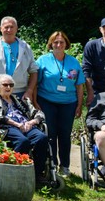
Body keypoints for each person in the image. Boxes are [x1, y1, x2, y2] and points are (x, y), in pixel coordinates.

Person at [35, 31, 85, 176]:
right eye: (55, 42)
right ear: (51, 44)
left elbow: (79, 85)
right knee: (50, 133)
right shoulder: (42, 60)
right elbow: (35, 83)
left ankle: (65, 166)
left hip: (68, 103)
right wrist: (35, 102)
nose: (58, 45)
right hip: (47, 101)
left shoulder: (73, 62)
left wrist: (79, 105)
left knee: (64, 134)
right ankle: (52, 164)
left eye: (61, 42)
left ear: (66, 44)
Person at [0, 74, 50, 183]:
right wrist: (14, 123)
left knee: (42, 138)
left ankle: (37, 173)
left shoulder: (19, 100)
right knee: (23, 141)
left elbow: (39, 113)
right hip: (8, 127)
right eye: (5, 85)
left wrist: (33, 121)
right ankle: (15, 172)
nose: (8, 87)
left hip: (26, 125)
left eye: (11, 85)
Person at [0, 16, 38, 102]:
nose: (9, 30)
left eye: (11, 27)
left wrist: (30, 91)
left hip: (20, 93)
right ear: (1, 28)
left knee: (20, 116)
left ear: (16, 29)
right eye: (6, 27)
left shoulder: (25, 47)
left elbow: (34, 71)